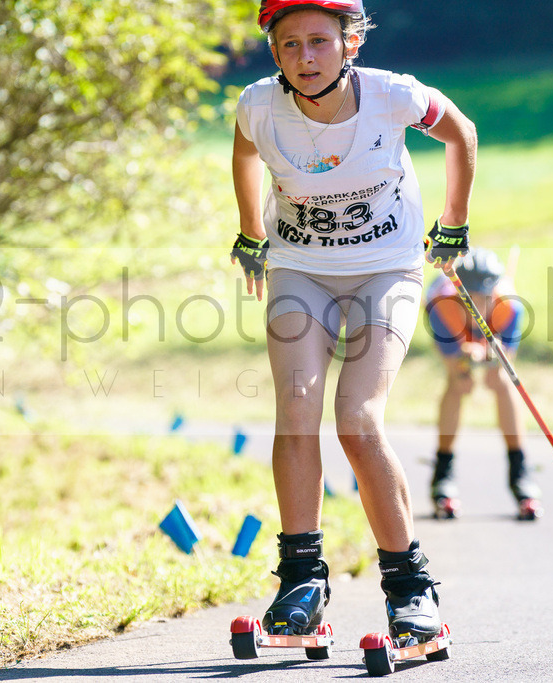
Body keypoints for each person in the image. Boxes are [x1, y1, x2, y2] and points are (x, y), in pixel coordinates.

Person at [229, 0, 477, 644]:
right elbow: (246, 152)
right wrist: (251, 230)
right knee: (297, 409)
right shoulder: (259, 104)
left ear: (350, 43)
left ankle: (410, 587)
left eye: (319, 41)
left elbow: (462, 133)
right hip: (300, 270)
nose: (305, 57)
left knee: (358, 420)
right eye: (289, 44)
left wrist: (453, 222)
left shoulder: (394, 96)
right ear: (274, 52)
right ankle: (301, 581)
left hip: (386, 270)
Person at [424, 247, 542, 519]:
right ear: (459, 293)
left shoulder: (509, 307)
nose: (478, 304)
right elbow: (454, 364)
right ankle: (443, 472)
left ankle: (520, 471)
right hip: (453, 327)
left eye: (485, 297)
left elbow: (505, 361)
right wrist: (465, 357)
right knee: (459, 383)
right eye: (471, 298)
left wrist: (492, 354)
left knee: (499, 381)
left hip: (494, 330)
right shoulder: (441, 306)